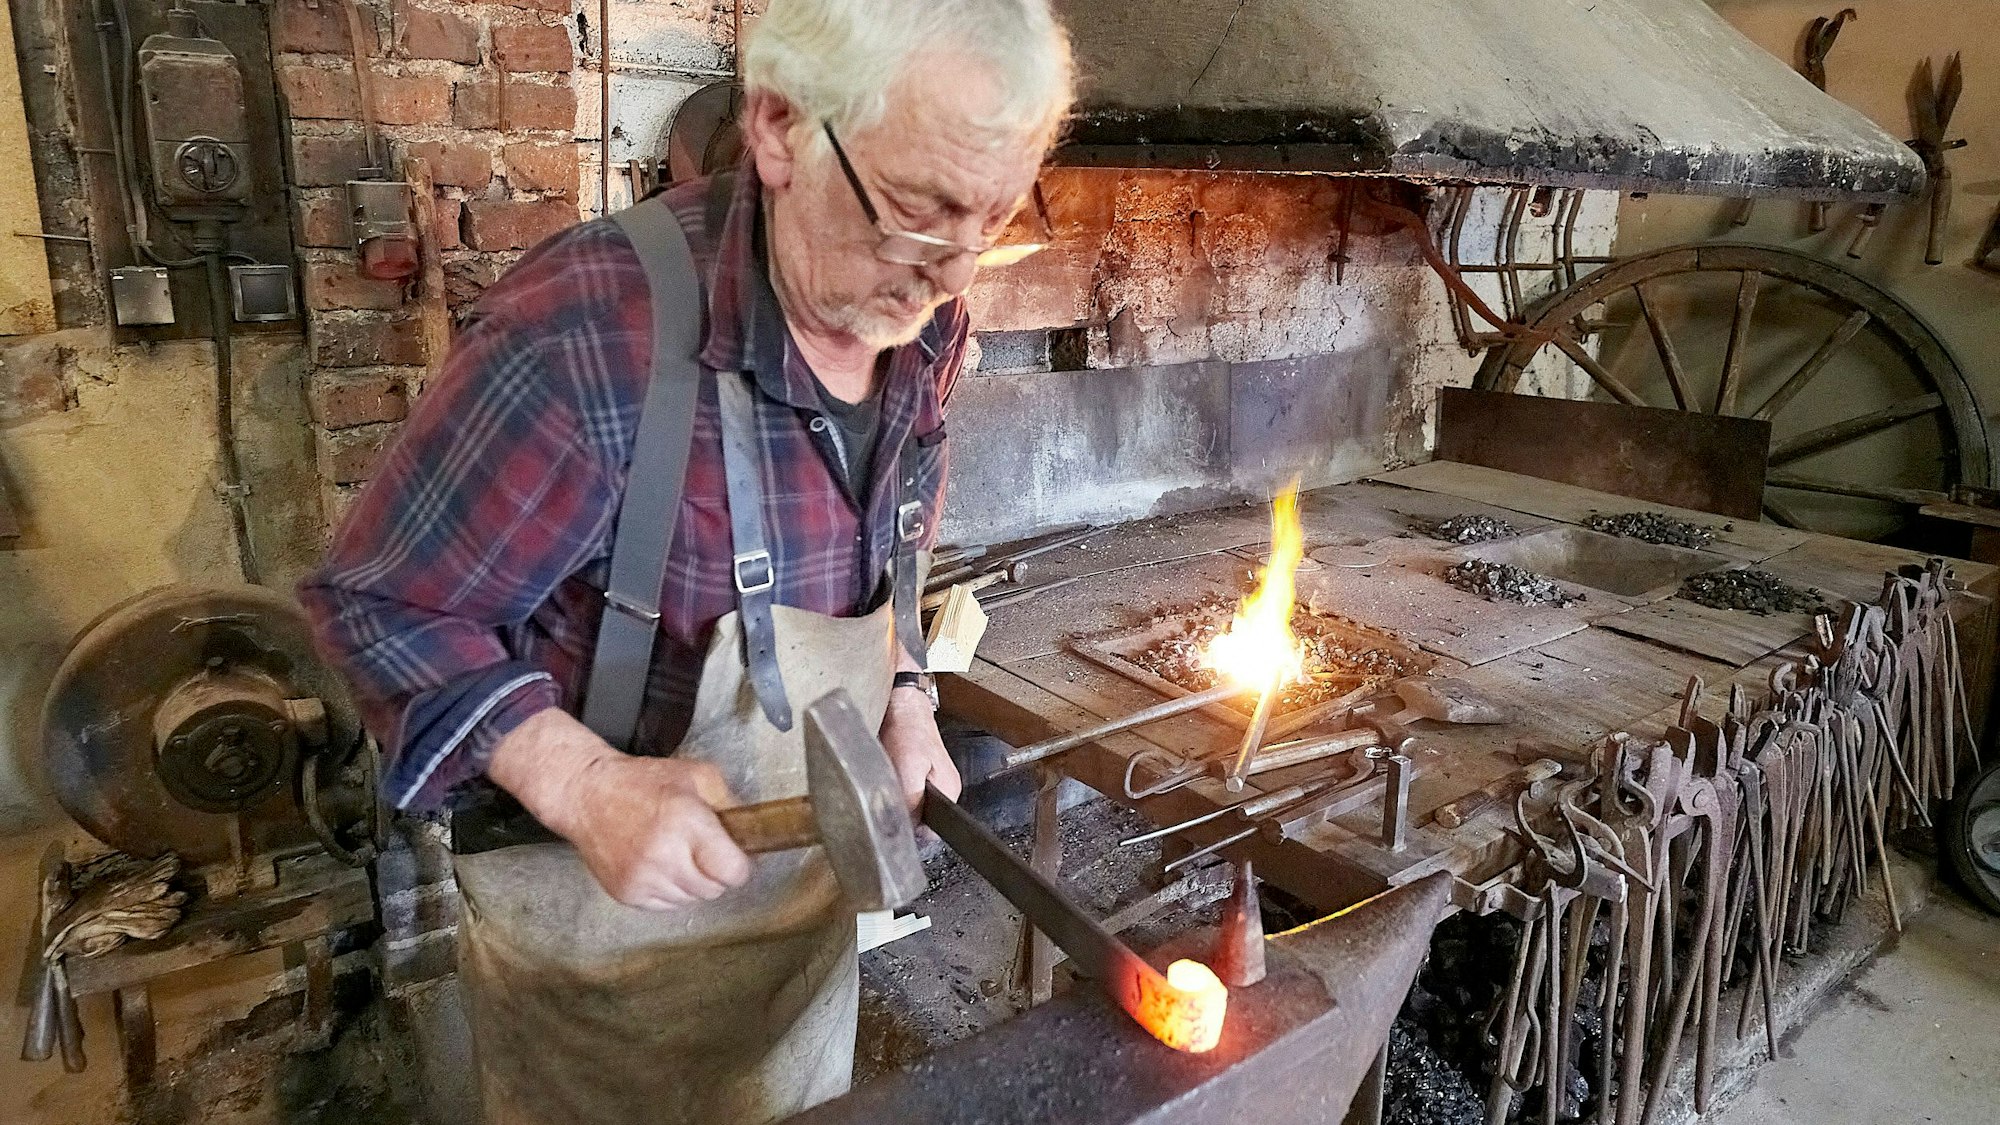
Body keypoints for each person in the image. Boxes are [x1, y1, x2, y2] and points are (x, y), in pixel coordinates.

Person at [298, 2, 1073, 1122]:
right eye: (918, 212)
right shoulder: (585, 337)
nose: (949, 273)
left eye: (990, 219)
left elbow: (893, 524)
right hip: (600, 957)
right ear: (776, 126)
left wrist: (905, 689)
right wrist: (584, 785)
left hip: (802, 929)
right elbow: (381, 606)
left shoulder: (925, 317)